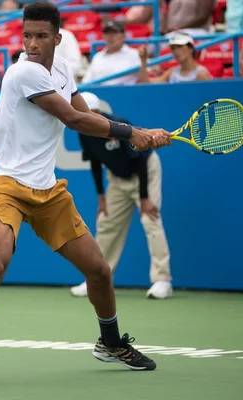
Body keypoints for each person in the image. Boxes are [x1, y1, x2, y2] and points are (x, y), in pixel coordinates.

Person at [0, 2, 172, 388]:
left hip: (47, 189)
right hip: (6, 187)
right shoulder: (22, 73)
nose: (32, 44)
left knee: (99, 270)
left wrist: (139, 133)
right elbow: (74, 119)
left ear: (58, 38)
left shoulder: (63, 69)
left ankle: (111, 343)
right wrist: (132, 133)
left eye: (41, 36)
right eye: (26, 36)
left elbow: (88, 117)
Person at [70, 92, 173, 300]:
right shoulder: (83, 131)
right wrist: (101, 197)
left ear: (98, 112)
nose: (86, 117)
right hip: (117, 180)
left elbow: (141, 160)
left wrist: (144, 198)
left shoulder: (119, 125)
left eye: (90, 113)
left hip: (144, 172)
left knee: (150, 219)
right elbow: (94, 162)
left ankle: (162, 281)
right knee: (106, 223)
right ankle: (96, 280)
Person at [138, 32, 212, 83]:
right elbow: (146, 83)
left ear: (190, 48)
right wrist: (143, 61)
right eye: (173, 48)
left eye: (180, 46)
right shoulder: (172, 72)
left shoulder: (201, 74)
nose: (176, 51)